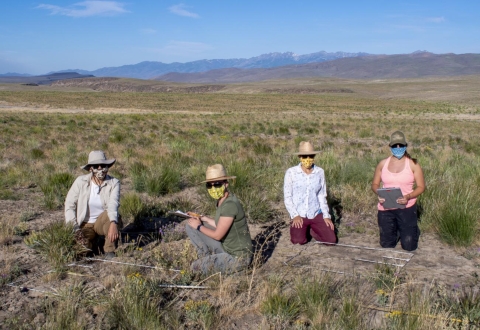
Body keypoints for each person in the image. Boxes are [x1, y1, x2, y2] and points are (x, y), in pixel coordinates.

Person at [186, 164, 253, 275]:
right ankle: (206, 258)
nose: (213, 188)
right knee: (189, 225)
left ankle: (238, 269)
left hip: (238, 257)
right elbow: (221, 224)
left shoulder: (230, 204)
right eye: (209, 185)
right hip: (226, 247)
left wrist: (198, 226)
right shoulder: (221, 200)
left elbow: (218, 235)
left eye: (217, 184)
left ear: (226, 184)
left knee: (195, 267)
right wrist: (204, 219)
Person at [371, 131, 425, 251]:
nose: (398, 148)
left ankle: (410, 229)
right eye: (395, 146)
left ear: (406, 146)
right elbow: (374, 184)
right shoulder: (382, 164)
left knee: (409, 246)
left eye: (401, 145)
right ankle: (397, 230)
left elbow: (421, 187)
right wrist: (379, 193)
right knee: (386, 244)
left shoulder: (413, 164)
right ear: (390, 147)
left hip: (406, 207)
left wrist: (408, 196)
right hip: (386, 207)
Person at [65, 150, 122, 259]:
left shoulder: (114, 183)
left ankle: (109, 249)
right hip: (84, 224)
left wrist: (114, 223)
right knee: (81, 250)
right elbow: (69, 205)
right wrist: (75, 229)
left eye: (103, 165)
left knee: (113, 217)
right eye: (96, 166)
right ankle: (92, 245)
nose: (100, 169)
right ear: (91, 168)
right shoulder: (80, 182)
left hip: (101, 222)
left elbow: (113, 204)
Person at [284, 141, 336, 245]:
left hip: (316, 212)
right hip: (300, 213)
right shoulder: (291, 172)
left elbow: (322, 195)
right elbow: (288, 196)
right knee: (298, 241)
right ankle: (303, 229)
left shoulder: (319, 172)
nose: (308, 159)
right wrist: (294, 215)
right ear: (300, 157)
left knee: (331, 240)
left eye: (311, 156)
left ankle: (313, 230)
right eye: (304, 156)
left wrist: (326, 215)